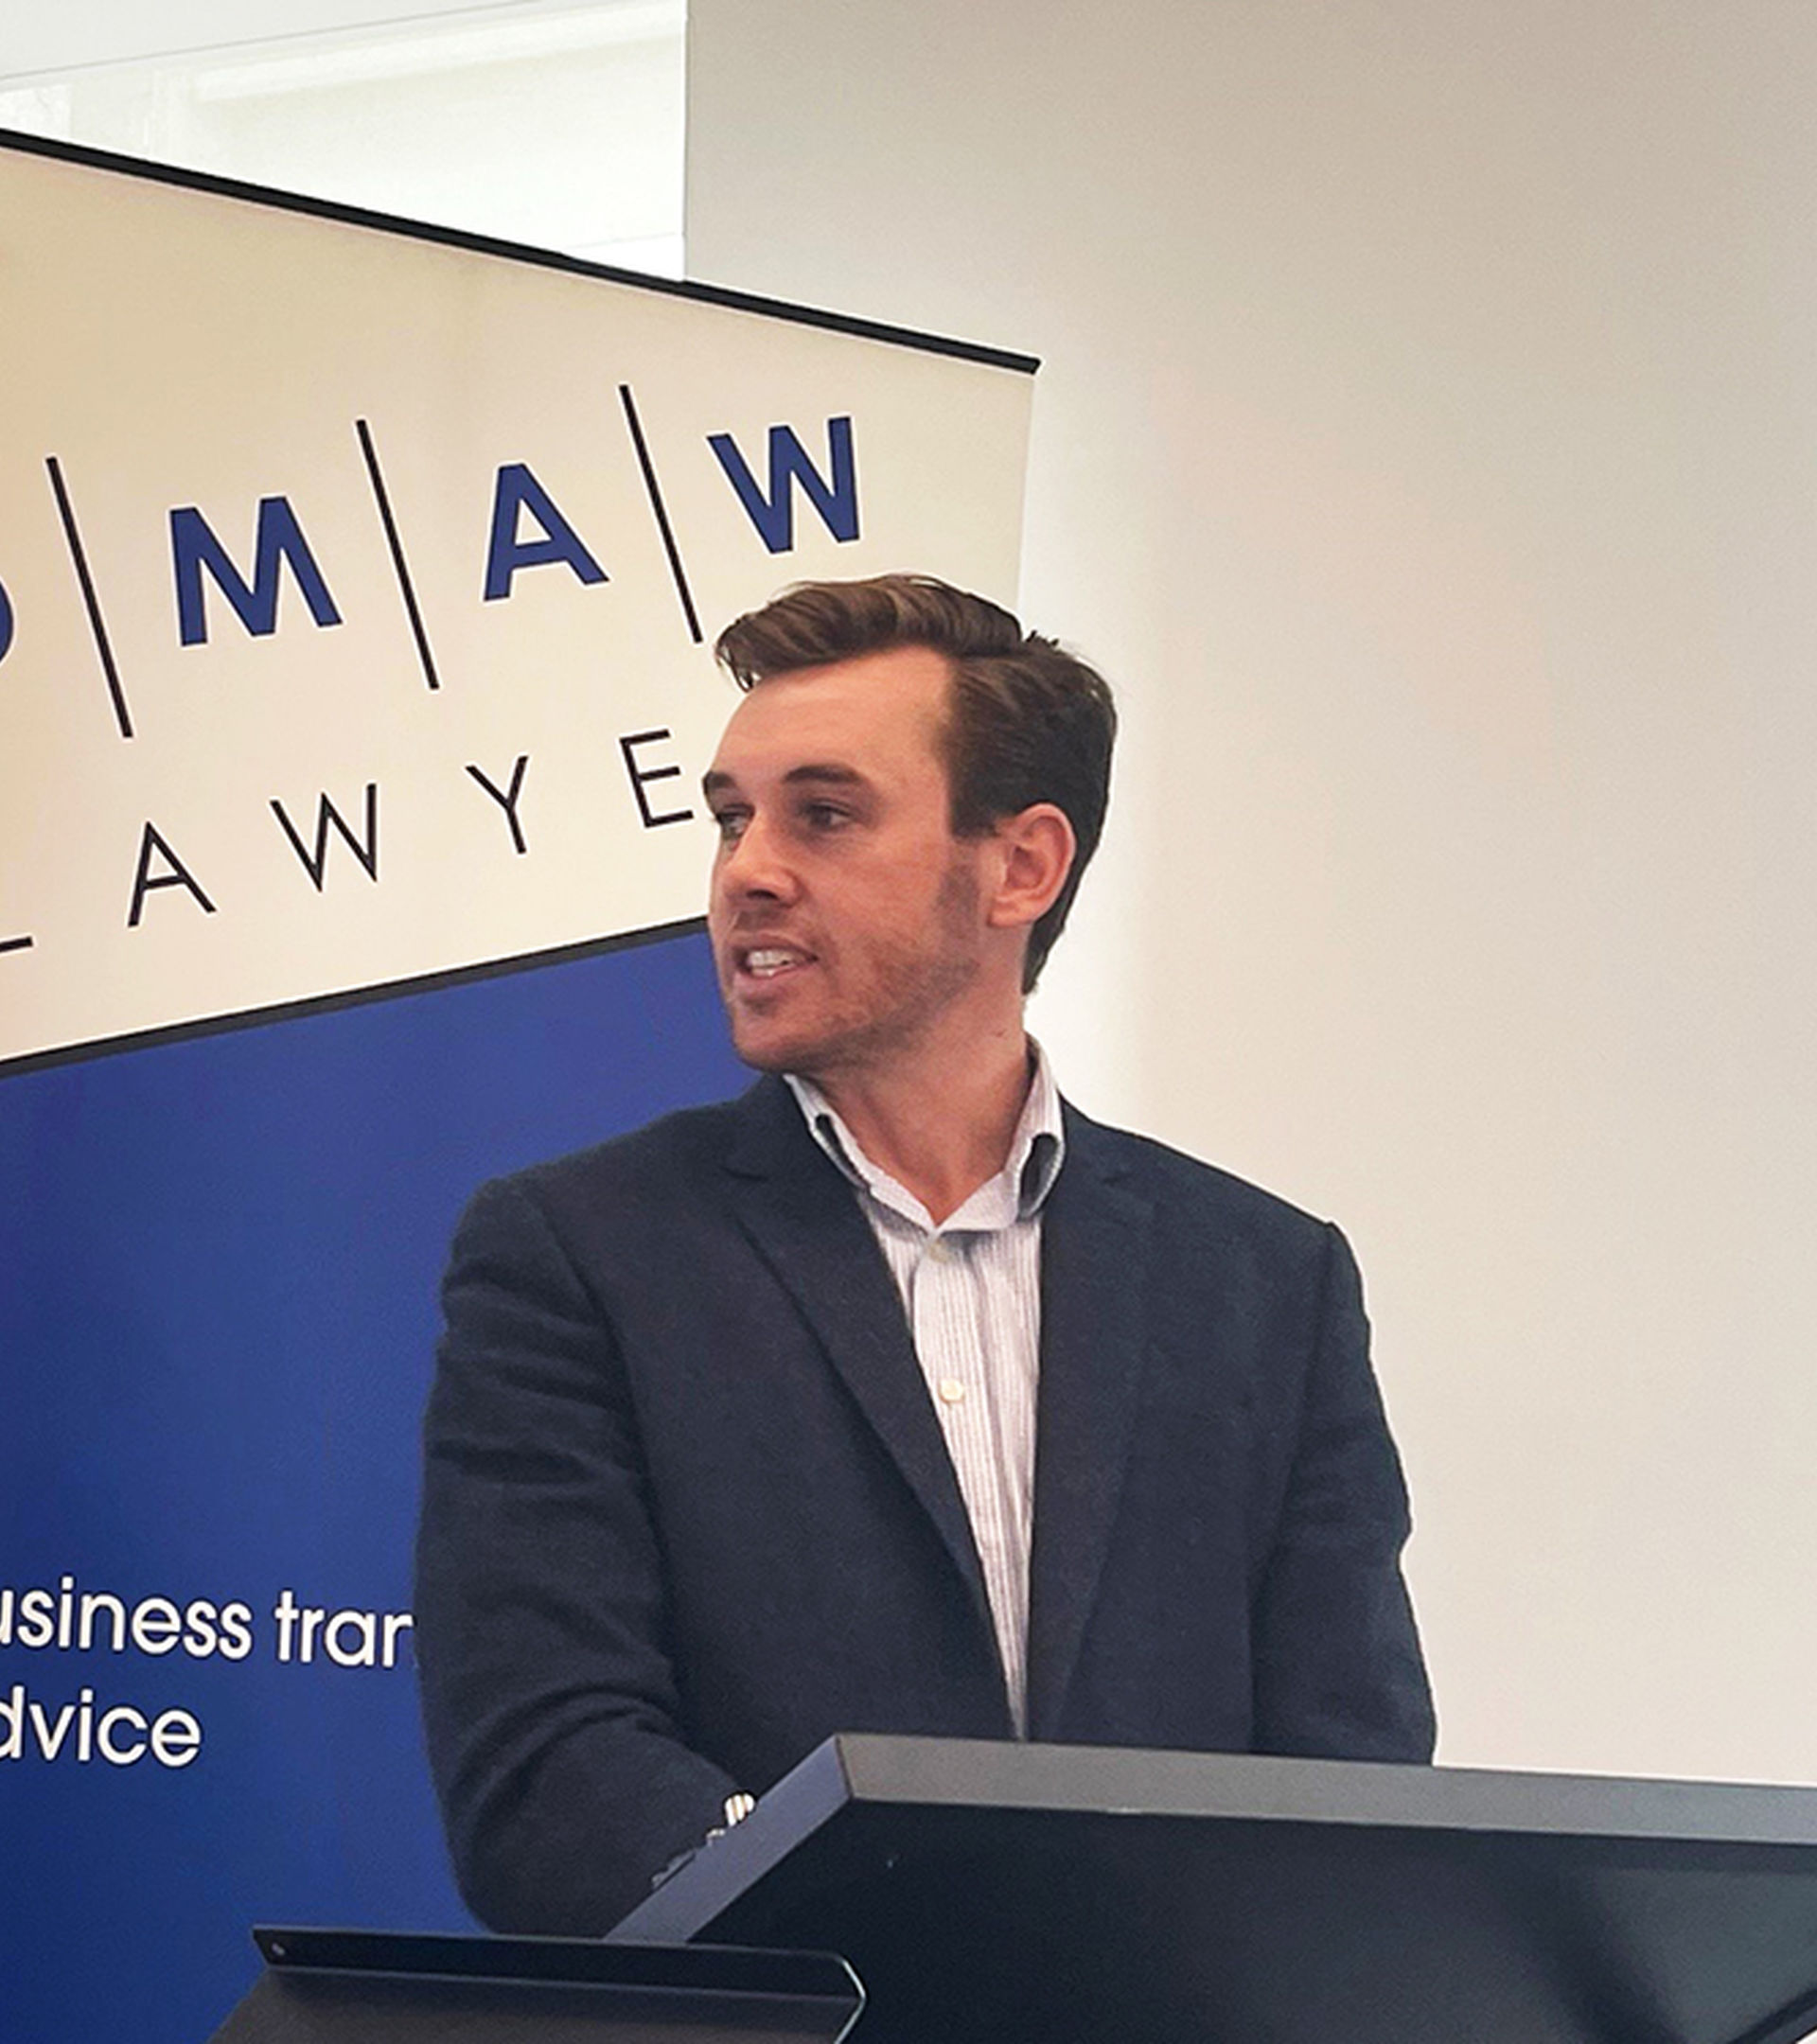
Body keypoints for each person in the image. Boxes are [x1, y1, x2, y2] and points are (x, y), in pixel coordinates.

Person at [415, 573, 1434, 1936]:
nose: (748, 871)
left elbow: (1349, 1788)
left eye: (823, 815)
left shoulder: (1265, 1284)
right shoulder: (580, 1254)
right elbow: (547, 1772)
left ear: (1022, 865)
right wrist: (918, 1948)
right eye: (730, 820)